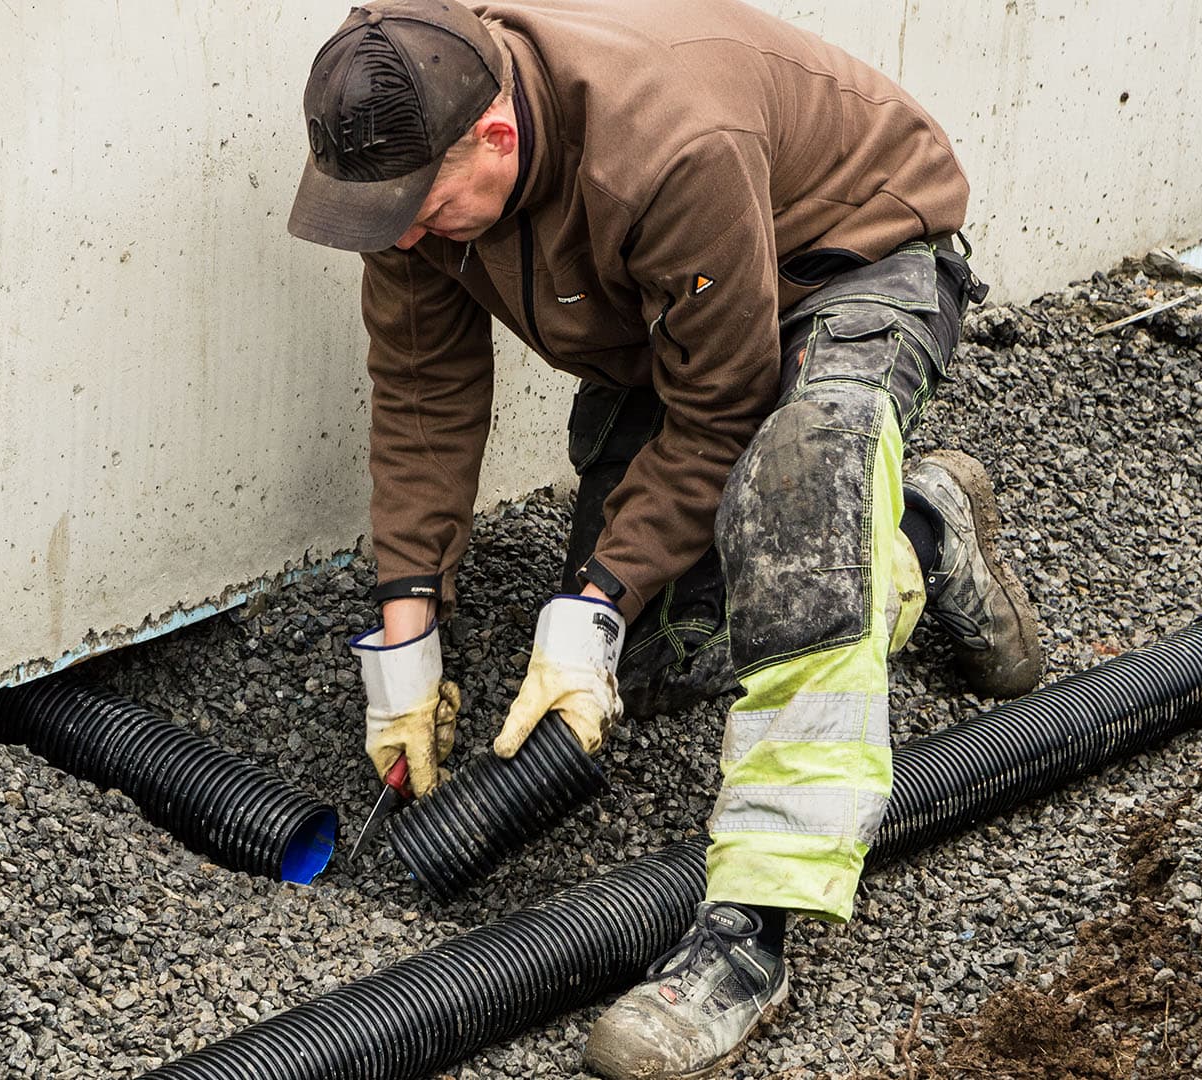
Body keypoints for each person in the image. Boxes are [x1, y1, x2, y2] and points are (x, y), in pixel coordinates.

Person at [288, 0, 1044, 1075]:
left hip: (848, 267)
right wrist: (407, 627)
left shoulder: (668, 145)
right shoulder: (408, 120)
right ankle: (927, 531)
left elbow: (725, 408)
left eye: (422, 211)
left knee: (796, 506)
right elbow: (420, 388)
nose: (404, 236)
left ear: (496, 136)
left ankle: (752, 931)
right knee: (645, 663)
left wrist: (590, 600)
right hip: (686, 317)